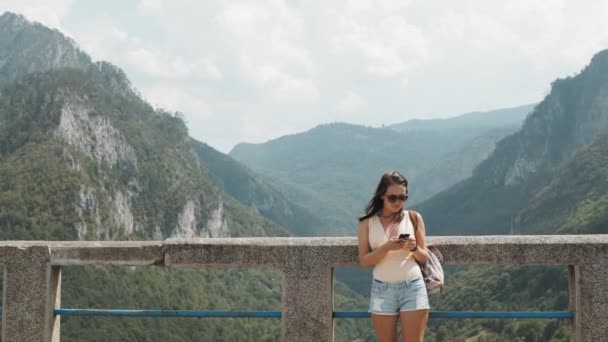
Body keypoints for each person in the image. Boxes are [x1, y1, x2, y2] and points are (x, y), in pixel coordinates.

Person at [357, 171, 430, 342]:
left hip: (413, 287)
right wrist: (387, 248)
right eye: (392, 198)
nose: (398, 202)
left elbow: (423, 257)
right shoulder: (367, 223)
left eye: (402, 197)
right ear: (382, 195)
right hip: (382, 289)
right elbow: (364, 261)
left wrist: (413, 247)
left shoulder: (414, 218)